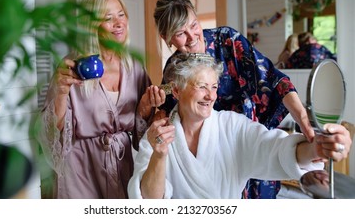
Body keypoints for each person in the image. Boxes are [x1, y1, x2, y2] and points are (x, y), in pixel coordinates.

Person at [152, 0, 315, 199]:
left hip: (243, 137)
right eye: (180, 33)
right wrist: (154, 109)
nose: (192, 37)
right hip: (211, 153)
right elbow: (168, 113)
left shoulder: (226, 40)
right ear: (166, 37)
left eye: (194, 25)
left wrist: (303, 119)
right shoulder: (173, 69)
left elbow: (273, 78)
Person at [128, 53, 352, 199]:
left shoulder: (231, 127)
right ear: (176, 91)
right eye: (202, 86)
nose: (210, 95)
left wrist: (317, 148)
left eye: (214, 87)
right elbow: (148, 202)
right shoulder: (157, 136)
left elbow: (275, 149)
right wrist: (159, 155)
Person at [36, 0, 165, 199]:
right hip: (80, 169)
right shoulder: (73, 67)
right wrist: (60, 93)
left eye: (121, 14)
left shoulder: (134, 67)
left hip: (121, 167)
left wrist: (145, 107)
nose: (118, 23)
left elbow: (142, 130)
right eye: (108, 17)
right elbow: (51, 133)